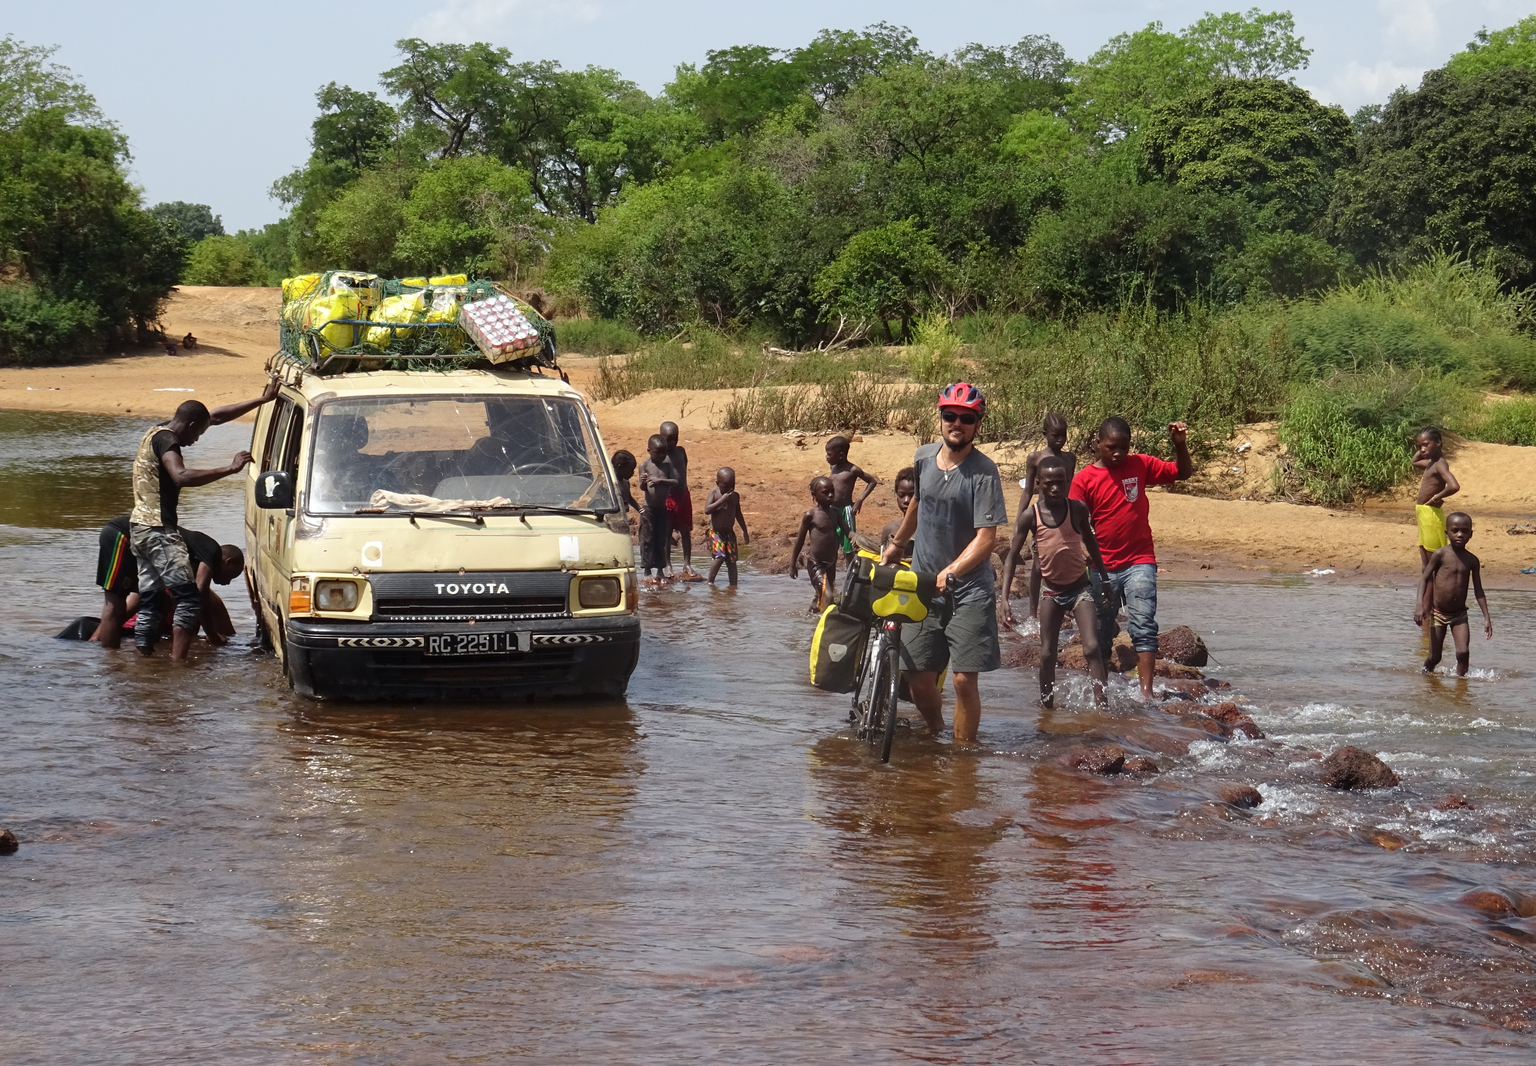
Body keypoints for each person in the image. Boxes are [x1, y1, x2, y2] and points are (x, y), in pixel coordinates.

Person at [880, 382, 1008, 744]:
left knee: (963, 679)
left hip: (969, 591)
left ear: (977, 424)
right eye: (950, 416)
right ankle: (936, 732)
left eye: (966, 419)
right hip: (922, 586)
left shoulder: (984, 472)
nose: (957, 424)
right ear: (940, 419)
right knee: (918, 677)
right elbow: (919, 504)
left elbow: (987, 539)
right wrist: (898, 543)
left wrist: (950, 572)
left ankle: (963, 754)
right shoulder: (923, 457)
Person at [129, 382, 278, 660]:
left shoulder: (157, 431)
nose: (197, 439)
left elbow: (216, 416)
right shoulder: (167, 440)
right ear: (190, 424)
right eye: (198, 433)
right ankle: (177, 665)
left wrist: (261, 400)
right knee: (188, 599)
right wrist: (230, 468)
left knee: (151, 599)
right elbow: (181, 476)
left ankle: (144, 665)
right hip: (159, 529)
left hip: (138, 528)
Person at [1069, 415, 1193, 703]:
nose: (1117, 453)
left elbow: (1182, 473)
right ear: (1098, 444)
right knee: (1100, 631)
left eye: (1123, 447)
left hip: (1140, 561)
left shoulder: (1140, 465)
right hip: (1102, 567)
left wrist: (1180, 446)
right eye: (1111, 447)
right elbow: (1073, 521)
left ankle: (1146, 693)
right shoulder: (1084, 480)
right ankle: (1100, 696)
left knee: (1143, 625)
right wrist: (1079, 547)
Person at [1010, 457, 1111, 709]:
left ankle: (1103, 707)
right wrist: (1003, 600)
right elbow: (1012, 556)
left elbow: (1091, 541)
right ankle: (1047, 708)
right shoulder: (1030, 516)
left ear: (1068, 483)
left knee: (1091, 647)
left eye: (1060, 483)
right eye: (1049, 484)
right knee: (1046, 654)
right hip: (1051, 593)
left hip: (1079, 589)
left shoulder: (1077, 509)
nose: (1055, 488)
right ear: (1038, 485)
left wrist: (1105, 577)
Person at [84, 516, 243, 648]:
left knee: (122, 605)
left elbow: (227, 630)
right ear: (227, 562)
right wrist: (213, 636)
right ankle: (106, 659)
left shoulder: (175, 573)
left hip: (137, 539)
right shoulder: (210, 551)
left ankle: (106, 656)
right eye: (231, 576)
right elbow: (198, 595)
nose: (227, 583)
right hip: (123, 534)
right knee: (115, 603)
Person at [1004, 412, 1077, 622]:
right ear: (1045, 434)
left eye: (1064, 435)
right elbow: (1028, 491)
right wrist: (1019, 522)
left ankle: (1066, 604)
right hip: (1041, 515)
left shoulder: (1070, 458)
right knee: (1038, 564)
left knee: (1065, 557)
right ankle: (1033, 613)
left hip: (1064, 513)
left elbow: (1070, 487)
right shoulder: (1035, 458)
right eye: (1056, 436)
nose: (1060, 440)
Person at [1415, 512, 1492, 676]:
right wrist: (1420, 605)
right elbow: (1424, 578)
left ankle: (1461, 687)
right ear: (1446, 533)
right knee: (1435, 657)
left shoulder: (1472, 560)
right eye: (1455, 530)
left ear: (1471, 534)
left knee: (1463, 653)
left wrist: (1486, 618)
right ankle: (1425, 676)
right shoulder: (1440, 554)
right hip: (1438, 614)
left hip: (1459, 615)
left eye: (1464, 531)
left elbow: (1478, 590)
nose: (1460, 534)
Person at [790, 476, 848, 612]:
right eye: (825, 492)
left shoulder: (836, 513)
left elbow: (848, 532)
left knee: (821, 597)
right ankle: (824, 629)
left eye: (832, 491)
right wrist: (792, 565)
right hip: (816, 564)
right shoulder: (810, 515)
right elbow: (800, 541)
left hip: (831, 564)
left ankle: (812, 615)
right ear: (814, 495)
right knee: (828, 596)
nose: (830, 495)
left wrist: (857, 539)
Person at [1413, 427, 1460, 569]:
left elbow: (1454, 486)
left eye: (1426, 444)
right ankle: (1427, 589)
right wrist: (1423, 446)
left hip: (1431, 514)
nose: (1422, 450)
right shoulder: (1431, 463)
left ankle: (1434, 588)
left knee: (1432, 561)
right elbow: (1414, 462)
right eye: (1419, 446)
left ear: (1438, 442)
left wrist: (1435, 498)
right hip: (1424, 513)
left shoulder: (1439, 464)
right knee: (1425, 562)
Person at [659, 421, 701, 579]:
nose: (671, 443)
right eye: (667, 439)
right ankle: (667, 564)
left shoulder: (681, 452)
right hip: (667, 498)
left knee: (685, 531)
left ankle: (687, 562)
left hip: (683, 495)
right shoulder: (660, 456)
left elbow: (684, 468)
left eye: (674, 438)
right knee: (667, 532)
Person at [637, 434, 677, 589]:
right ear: (649, 451)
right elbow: (642, 488)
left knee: (661, 539)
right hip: (648, 508)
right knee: (647, 539)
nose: (661, 456)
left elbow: (675, 481)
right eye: (657, 453)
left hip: (662, 507)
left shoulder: (667, 465)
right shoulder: (645, 465)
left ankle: (660, 570)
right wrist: (643, 482)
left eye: (663, 453)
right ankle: (647, 570)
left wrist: (661, 481)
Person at [826, 435, 879, 552]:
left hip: (846, 511)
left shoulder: (853, 470)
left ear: (840, 455)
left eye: (829, 454)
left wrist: (860, 500)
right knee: (831, 543)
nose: (826, 457)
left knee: (849, 546)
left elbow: (872, 482)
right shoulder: (833, 467)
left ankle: (850, 569)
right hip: (832, 510)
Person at [703, 467, 750, 586]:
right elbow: (707, 510)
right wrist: (722, 500)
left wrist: (745, 531)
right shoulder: (714, 493)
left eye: (732, 487)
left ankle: (733, 585)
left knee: (732, 561)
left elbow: (738, 514)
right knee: (720, 557)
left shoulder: (735, 496)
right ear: (717, 484)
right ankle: (710, 582)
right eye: (725, 487)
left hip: (729, 533)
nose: (729, 490)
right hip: (716, 533)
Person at [878, 466, 916, 558]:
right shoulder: (890, 529)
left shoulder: (928, 529)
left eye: (912, 495)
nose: (906, 500)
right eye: (901, 495)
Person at [611, 449, 641, 520]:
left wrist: (640, 510)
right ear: (619, 467)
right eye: (630, 470)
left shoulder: (625, 482)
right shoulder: (611, 485)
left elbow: (629, 497)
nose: (633, 473)